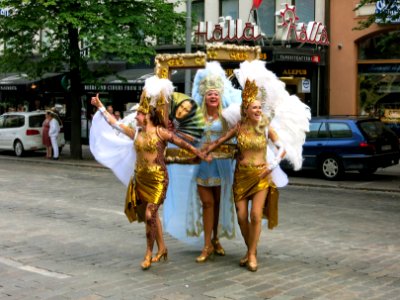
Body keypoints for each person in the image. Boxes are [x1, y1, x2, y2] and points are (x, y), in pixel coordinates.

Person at [90, 76, 207, 271]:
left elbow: (182, 142)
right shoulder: (136, 133)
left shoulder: (161, 133)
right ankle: (162, 248)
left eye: (138, 114)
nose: (135, 117)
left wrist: (199, 153)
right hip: (141, 179)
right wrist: (100, 106)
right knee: (151, 217)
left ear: (147, 115)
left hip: (158, 179)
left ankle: (148, 253)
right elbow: (113, 123)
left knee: (150, 213)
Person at [205, 60, 310, 272]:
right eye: (254, 107)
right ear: (246, 109)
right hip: (241, 176)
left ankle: (252, 255)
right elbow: (220, 140)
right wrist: (204, 149)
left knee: (255, 216)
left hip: (261, 175)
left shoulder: (265, 127)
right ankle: (249, 249)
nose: (258, 110)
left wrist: (272, 164)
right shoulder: (239, 127)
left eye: (259, 107)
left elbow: (282, 148)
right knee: (242, 217)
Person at [164, 62, 241, 262]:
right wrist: (173, 131)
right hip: (201, 167)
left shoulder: (227, 117)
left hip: (221, 167)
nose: (213, 96)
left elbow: (237, 137)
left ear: (220, 96)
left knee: (217, 204)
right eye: (209, 94)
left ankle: (215, 240)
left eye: (215, 93)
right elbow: (187, 138)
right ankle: (207, 245)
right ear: (204, 97)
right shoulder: (195, 118)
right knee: (207, 204)